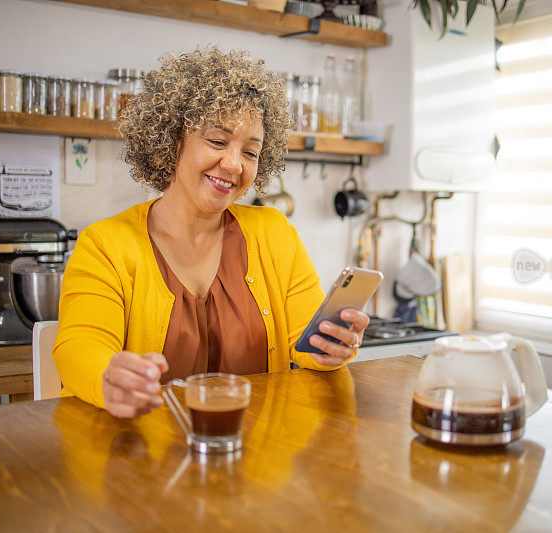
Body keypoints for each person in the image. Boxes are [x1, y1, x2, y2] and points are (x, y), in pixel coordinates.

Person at [53, 46, 370, 418]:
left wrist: (331, 348)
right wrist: (108, 376)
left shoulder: (275, 233)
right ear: (171, 143)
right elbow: (79, 345)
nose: (234, 164)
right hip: (140, 457)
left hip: (254, 457)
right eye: (217, 142)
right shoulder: (105, 244)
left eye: (251, 153)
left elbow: (305, 344)